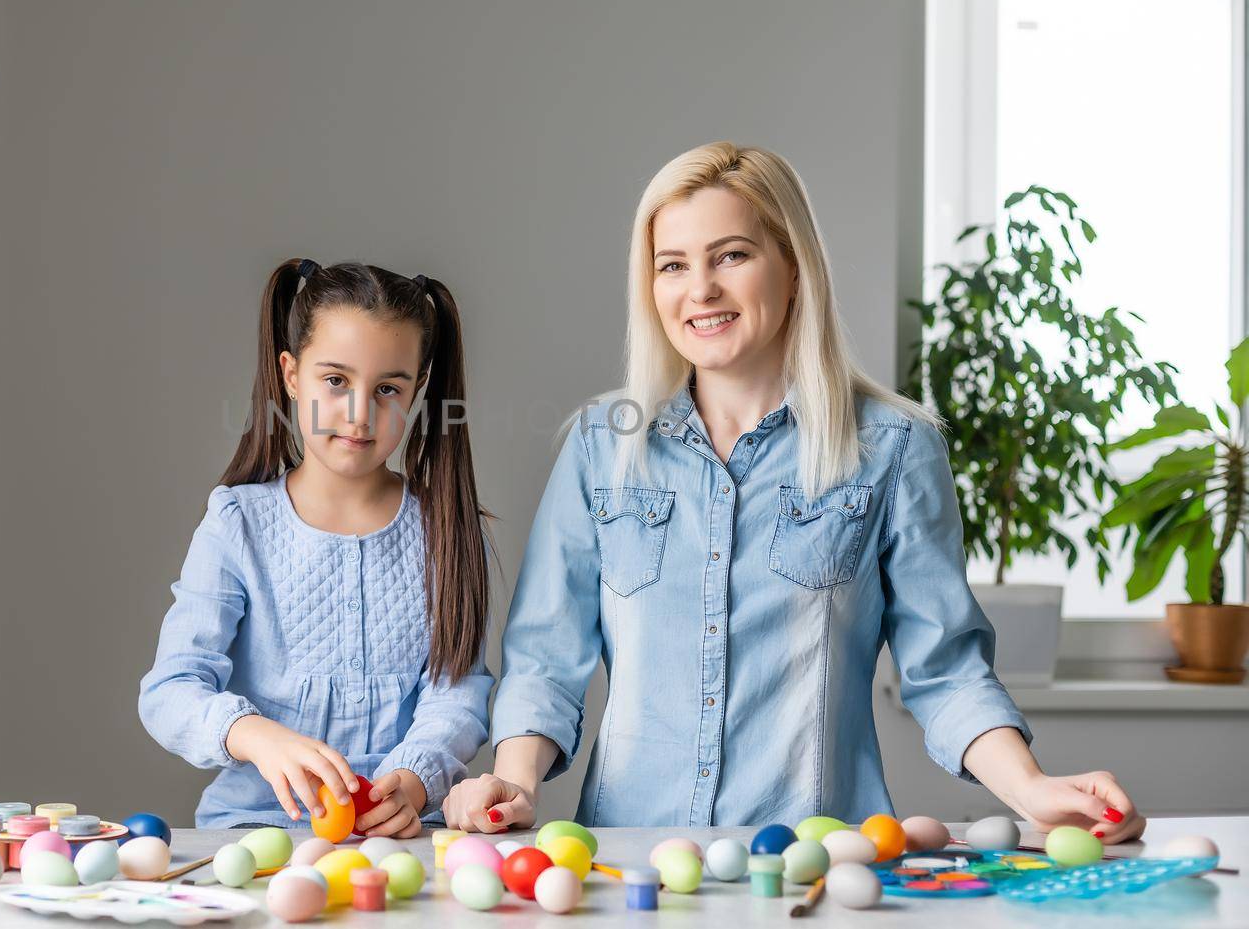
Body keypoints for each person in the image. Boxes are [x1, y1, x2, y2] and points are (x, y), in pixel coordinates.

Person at [443, 143, 1145, 843]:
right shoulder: (602, 445)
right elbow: (545, 658)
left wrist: (1031, 787)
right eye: (673, 265)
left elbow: (945, 670)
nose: (700, 290)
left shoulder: (894, 447)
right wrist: (516, 781)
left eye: (732, 256)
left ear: (794, 266)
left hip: (819, 867)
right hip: (630, 865)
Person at [140, 259, 493, 834]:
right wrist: (254, 735)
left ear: (418, 390)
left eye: (387, 389)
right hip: (255, 835)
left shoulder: (447, 529)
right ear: (291, 375)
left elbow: (458, 690)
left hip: (400, 837)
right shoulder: (239, 523)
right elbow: (171, 689)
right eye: (336, 381)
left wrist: (414, 777)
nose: (358, 414)